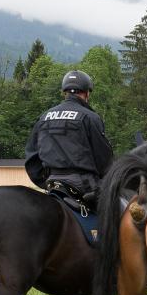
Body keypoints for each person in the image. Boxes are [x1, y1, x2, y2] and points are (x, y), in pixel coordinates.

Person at [25, 70, 113, 210]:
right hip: (84, 186)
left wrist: (47, 183)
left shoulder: (44, 117)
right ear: (87, 93)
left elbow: (32, 160)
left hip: (52, 184)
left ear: (64, 92)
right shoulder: (90, 117)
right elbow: (105, 160)